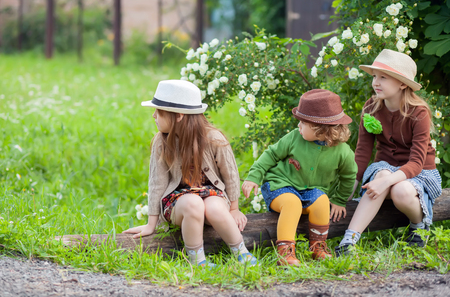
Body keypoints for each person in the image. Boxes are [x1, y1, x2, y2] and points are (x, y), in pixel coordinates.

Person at [123, 80, 257, 267]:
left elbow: (231, 175)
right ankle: (197, 261)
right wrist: (151, 224)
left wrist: (234, 209)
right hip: (178, 201)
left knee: (215, 208)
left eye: (158, 112)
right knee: (193, 203)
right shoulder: (161, 142)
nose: (153, 116)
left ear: (178, 116)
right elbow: (156, 183)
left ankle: (241, 252)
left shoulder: (213, 139)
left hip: (212, 194)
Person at [335, 49, 442, 257]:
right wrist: (348, 190)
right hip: (385, 167)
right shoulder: (371, 107)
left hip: (420, 172)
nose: (376, 82)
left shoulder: (418, 113)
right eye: (374, 76)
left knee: (399, 190)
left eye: (383, 77)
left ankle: (418, 226)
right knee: (383, 174)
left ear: (402, 83)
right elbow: (363, 152)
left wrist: (387, 182)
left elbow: (417, 162)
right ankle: (349, 240)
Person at [242, 89, 357, 266]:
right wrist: (254, 177)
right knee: (292, 203)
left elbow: (349, 176)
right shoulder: (294, 138)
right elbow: (270, 154)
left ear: (320, 129)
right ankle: (285, 252)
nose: (298, 127)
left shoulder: (343, 152)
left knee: (321, 202)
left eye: (303, 123)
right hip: (280, 185)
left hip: (313, 191)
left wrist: (340, 200)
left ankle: (318, 247)